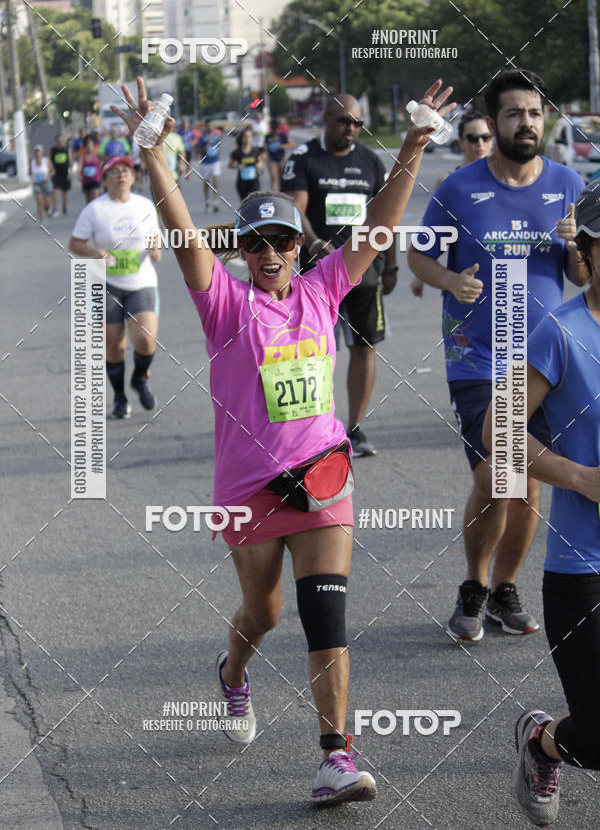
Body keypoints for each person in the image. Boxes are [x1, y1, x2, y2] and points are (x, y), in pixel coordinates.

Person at [112, 75, 454, 805]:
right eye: (257, 243)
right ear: (242, 251)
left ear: (300, 247)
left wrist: (414, 147)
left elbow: (379, 227)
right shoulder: (224, 304)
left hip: (324, 476)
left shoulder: (323, 289)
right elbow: (185, 240)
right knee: (263, 614)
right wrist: (153, 156)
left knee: (325, 615)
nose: (270, 253)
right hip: (249, 492)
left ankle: (336, 755)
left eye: (282, 242)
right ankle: (232, 672)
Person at [407, 68, 588, 644]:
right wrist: (450, 280)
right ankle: (474, 582)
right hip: (478, 357)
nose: (526, 123)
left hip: (544, 361)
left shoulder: (567, 183)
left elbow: (583, 277)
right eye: (514, 114)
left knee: (527, 484)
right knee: (500, 474)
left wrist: (574, 245)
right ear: (494, 122)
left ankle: (504, 588)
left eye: (534, 113)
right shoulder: (459, 188)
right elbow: (419, 258)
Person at [482, 182, 600, 828]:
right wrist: (580, 478)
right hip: (585, 568)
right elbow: (497, 428)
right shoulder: (562, 332)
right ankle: (542, 740)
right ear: (588, 251)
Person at [281, 94, 394, 457]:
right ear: (326, 118)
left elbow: (385, 216)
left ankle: (356, 428)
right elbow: (295, 208)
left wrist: (391, 265)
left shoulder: (371, 161)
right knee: (312, 352)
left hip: (366, 273)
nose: (351, 128)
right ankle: (310, 428)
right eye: (344, 120)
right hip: (319, 275)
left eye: (357, 123)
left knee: (364, 347)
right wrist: (313, 242)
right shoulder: (304, 158)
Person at [68, 154, 161, 419]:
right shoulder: (94, 210)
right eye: (114, 172)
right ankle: (120, 397)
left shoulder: (144, 205)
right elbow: (74, 243)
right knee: (114, 345)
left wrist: (155, 248)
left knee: (146, 341)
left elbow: (155, 237)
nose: (121, 175)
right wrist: (94, 252)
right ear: (105, 178)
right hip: (106, 284)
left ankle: (139, 379)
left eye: (126, 171)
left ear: (133, 178)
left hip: (141, 282)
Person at [411, 110, 494, 298]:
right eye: (473, 138)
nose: (480, 144)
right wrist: (420, 276)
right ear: (461, 142)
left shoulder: (504, 179)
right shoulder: (448, 183)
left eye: (486, 137)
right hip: (462, 279)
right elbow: (432, 234)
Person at [229, 125, 265, 201]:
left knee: (254, 201)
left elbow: (261, 164)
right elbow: (230, 165)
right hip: (242, 182)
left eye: (249, 136)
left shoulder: (256, 151)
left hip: (254, 181)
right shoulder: (237, 152)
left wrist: (259, 165)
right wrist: (237, 166)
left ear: (252, 138)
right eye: (245, 137)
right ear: (242, 138)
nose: (247, 139)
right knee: (245, 203)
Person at [197, 119, 222, 211]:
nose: (210, 127)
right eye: (208, 126)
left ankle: (216, 202)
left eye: (212, 126)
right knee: (207, 183)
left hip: (215, 161)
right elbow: (197, 150)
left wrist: (218, 151)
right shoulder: (202, 137)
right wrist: (204, 148)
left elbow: (219, 146)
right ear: (206, 127)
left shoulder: (216, 136)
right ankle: (207, 200)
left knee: (216, 182)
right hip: (206, 162)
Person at [265, 116, 293, 192]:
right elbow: (266, 147)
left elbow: (292, 145)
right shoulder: (268, 136)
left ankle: (283, 192)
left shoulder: (282, 135)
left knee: (282, 178)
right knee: (274, 178)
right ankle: (274, 194)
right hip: (272, 159)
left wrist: (281, 146)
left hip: (282, 158)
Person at [49, 133, 72, 216]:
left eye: (61, 141)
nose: (60, 142)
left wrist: (71, 172)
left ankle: (64, 208)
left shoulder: (67, 150)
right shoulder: (53, 150)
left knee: (64, 192)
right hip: (55, 173)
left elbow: (70, 162)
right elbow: (49, 161)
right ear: (56, 141)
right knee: (54, 191)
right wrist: (50, 171)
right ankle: (55, 208)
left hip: (65, 173)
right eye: (58, 141)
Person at [30, 144, 53, 221]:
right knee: (40, 202)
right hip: (36, 183)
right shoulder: (32, 161)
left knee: (46, 203)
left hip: (45, 182)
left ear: (42, 152)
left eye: (38, 151)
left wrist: (47, 177)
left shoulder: (46, 160)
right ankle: (41, 220)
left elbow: (52, 171)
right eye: (36, 151)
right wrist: (32, 177)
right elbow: (30, 172)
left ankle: (48, 209)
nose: (37, 153)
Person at [78, 134, 102, 203]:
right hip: (86, 180)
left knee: (95, 200)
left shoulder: (97, 155)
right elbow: (80, 167)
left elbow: (100, 167)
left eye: (91, 145)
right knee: (88, 202)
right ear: (85, 146)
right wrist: (79, 176)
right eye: (88, 145)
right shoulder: (83, 156)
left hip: (95, 179)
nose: (89, 147)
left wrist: (101, 180)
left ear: (93, 146)